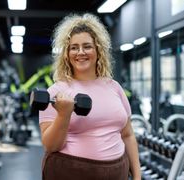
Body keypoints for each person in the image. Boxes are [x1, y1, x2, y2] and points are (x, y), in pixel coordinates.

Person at [38, 13, 141, 180]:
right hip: (70, 172)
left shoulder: (114, 87)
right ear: (66, 53)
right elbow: (51, 145)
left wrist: (137, 176)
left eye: (87, 46)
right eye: (74, 47)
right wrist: (64, 115)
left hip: (117, 172)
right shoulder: (56, 92)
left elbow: (128, 134)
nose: (80, 52)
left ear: (98, 50)